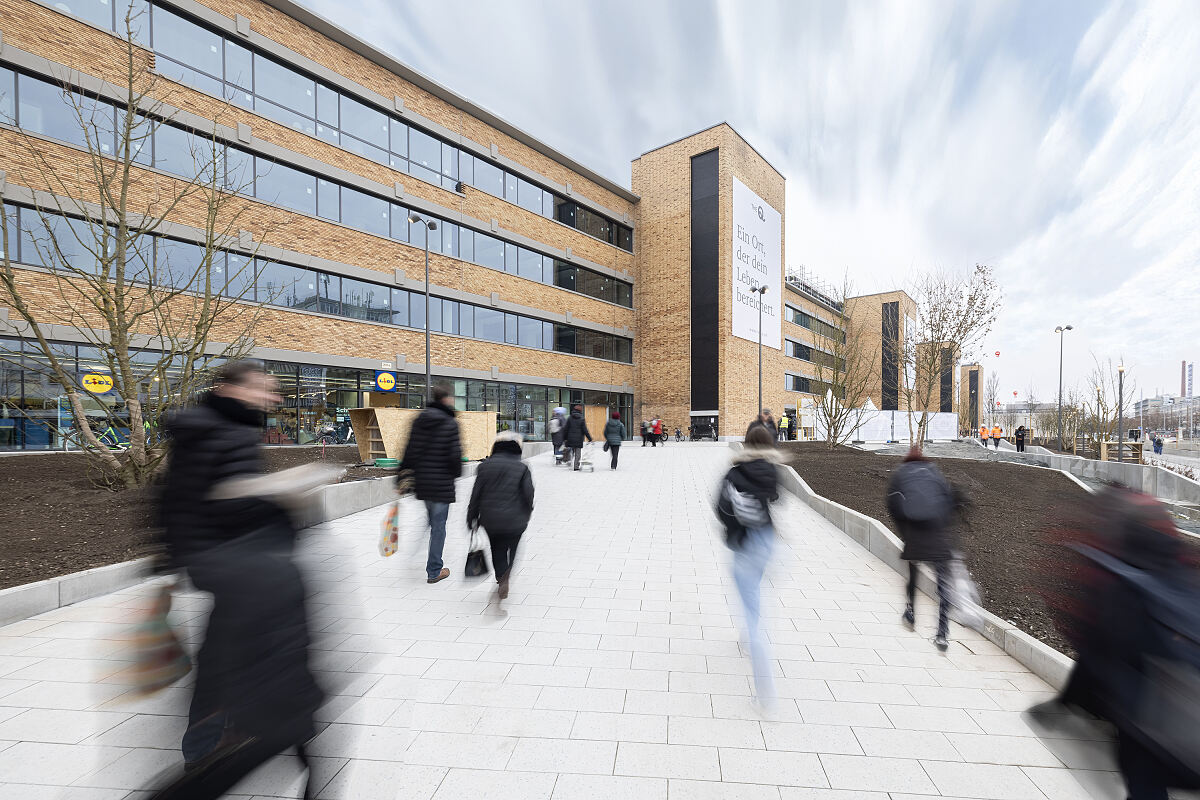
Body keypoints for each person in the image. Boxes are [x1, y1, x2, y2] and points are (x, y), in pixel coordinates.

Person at [150, 360, 324, 797]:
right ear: (228, 389)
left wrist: (171, 562)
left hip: (219, 565)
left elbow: (174, 500)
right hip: (236, 567)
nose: (273, 398)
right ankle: (215, 745)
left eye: (274, 391)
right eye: (263, 390)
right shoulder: (223, 432)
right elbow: (222, 500)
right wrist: (285, 492)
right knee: (235, 657)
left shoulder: (213, 428)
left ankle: (215, 738)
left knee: (224, 653)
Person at [715, 424, 781, 703]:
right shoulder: (772, 471)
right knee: (753, 593)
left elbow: (719, 508)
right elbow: (775, 498)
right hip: (766, 541)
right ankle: (746, 636)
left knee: (752, 612)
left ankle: (766, 696)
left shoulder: (734, 473)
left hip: (744, 544)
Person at [886, 447, 958, 651]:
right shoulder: (935, 471)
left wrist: (905, 532)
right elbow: (949, 501)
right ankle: (942, 634)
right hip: (938, 535)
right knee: (944, 585)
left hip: (915, 535)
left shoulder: (901, 473)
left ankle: (910, 612)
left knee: (913, 574)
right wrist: (943, 527)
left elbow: (893, 505)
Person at [399, 384, 462, 584]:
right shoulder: (450, 423)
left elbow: (409, 449)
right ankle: (434, 570)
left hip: (423, 482)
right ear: (445, 399)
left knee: (431, 520)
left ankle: (417, 554)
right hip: (442, 483)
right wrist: (456, 473)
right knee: (438, 526)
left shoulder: (419, 420)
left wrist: (400, 476)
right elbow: (454, 455)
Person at [466, 431, 533, 606]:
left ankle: (501, 576)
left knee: (497, 548)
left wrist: (471, 516)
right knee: (514, 546)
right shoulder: (522, 468)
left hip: (490, 519)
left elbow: (476, 495)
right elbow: (529, 494)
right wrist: (528, 511)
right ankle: (507, 573)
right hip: (516, 519)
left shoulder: (484, 467)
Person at [563, 404, 592, 470]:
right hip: (579, 439)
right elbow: (585, 430)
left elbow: (566, 429)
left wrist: (564, 438)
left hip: (570, 438)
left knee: (572, 451)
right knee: (578, 453)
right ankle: (576, 466)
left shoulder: (570, 418)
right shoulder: (582, 418)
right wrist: (589, 438)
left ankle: (570, 461)